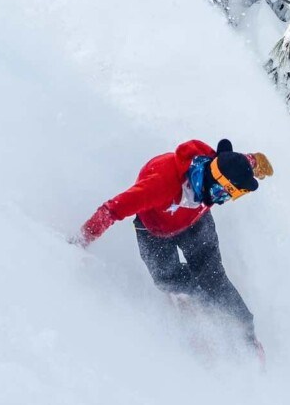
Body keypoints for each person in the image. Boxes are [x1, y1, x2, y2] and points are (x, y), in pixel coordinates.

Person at [82, 139, 273, 351]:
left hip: (195, 221)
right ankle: (190, 296)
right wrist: (82, 240)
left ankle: (246, 335)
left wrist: (253, 163)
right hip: (154, 230)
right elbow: (112, 210)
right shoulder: (160, 186)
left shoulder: (214, 166)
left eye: (232, 196)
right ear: (217, 182)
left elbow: (232, 160)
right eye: (225, 194)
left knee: (213, 277)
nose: (224, 200)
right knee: (166, 277)